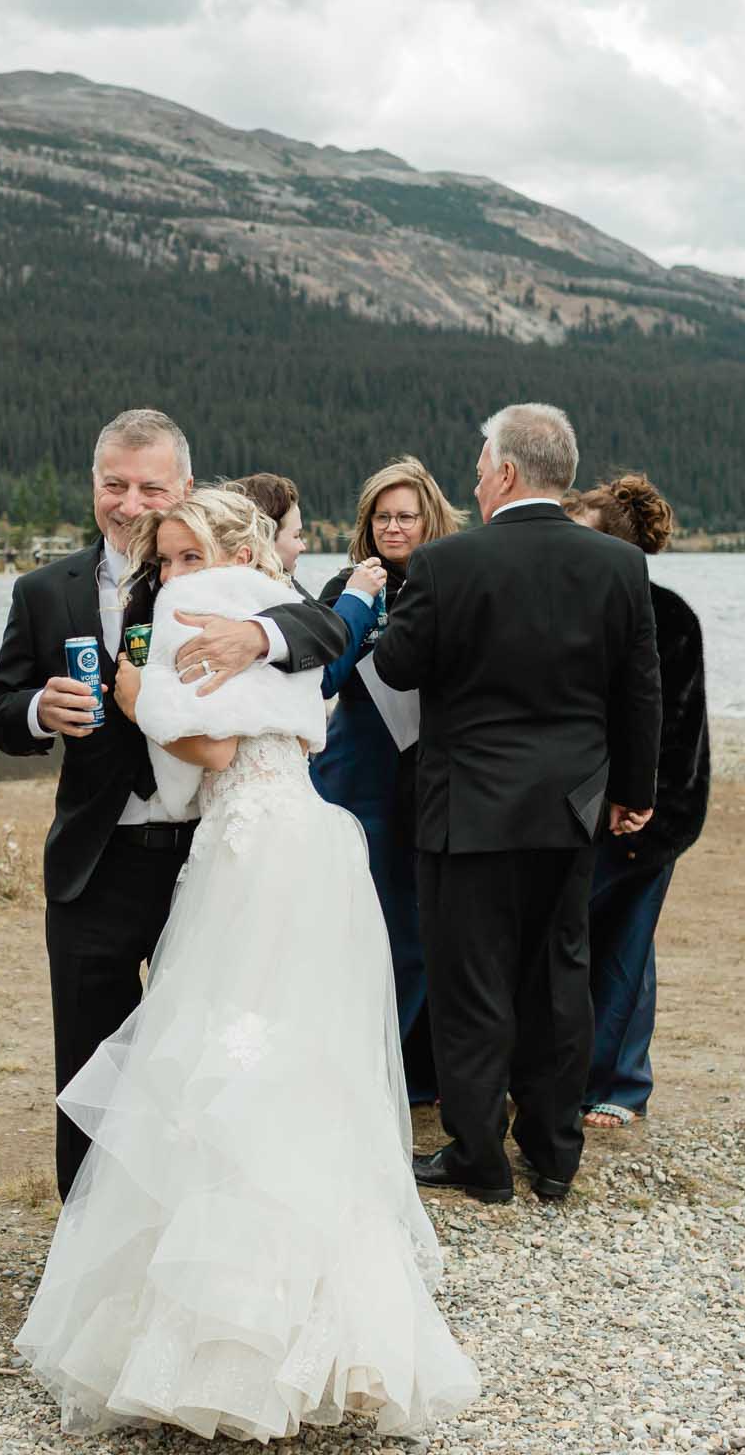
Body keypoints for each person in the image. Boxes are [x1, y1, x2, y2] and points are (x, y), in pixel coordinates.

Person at [15, 490, 479, 1441]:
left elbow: (213, 748)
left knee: (226, 1062)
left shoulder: (224, 613)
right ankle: (316, 1332)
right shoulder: (287, 621)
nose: (176, 574)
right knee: (291, 1067)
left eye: (188, 553)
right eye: (168, 560)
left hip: (253, 857)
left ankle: (229, 1342)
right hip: (302, 846)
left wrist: (134, 696)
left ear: (232, 548)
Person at [0, 412, 349, 1199]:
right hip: (98, 862)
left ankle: (193, 1220)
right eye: (114, 485)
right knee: (89, 1063)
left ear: (186, 488)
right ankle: (87, 1239)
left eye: (152, 486)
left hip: (206, 858)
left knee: (210, 1054)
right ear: (94, 487)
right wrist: (38, 711)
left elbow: (322, 624)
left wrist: (257, 637)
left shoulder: (214, 574)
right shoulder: (45, 591)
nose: (131, 503)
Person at [373, 403, 660, 1203]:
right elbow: (640, 693)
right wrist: (632, 795)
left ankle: (479, 1159)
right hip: (569, 809)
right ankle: (555, 1154)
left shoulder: (447, 565)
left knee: (471, 987)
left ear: (503, 473)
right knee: (558, 981)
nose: (473, 481)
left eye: (477, 469)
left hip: (468, 812)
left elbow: (396, 670)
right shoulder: (617, 566)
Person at [310, 458, 468, 1105]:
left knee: (413, 931)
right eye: (382, 516)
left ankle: (402, 1069)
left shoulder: (457, 580)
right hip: (355, 775)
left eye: (406, 516)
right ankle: (343, 1063)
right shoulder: (344, 585)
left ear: (430, 518)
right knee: (344, 927)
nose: (394, 528)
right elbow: (320, 678)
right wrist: (359, 603)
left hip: (426, 778)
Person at [565, 474, 710, 1128]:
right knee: (572, 940)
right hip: (575, 805)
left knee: (627, 946)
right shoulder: (563, 607)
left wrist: (641, 807)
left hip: (654, 809)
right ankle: (560, 1074)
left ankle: (620, 1087)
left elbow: (678, 728)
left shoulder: (668, 616)